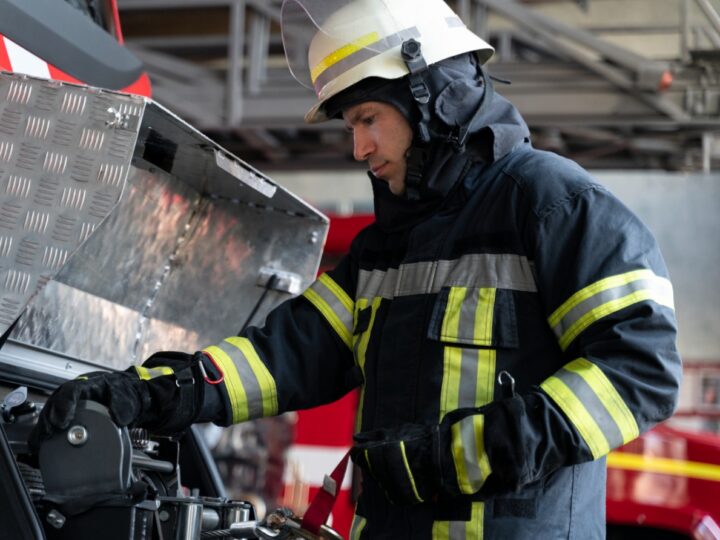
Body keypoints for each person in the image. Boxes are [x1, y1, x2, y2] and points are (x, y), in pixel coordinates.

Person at [32, 0, 682, 538]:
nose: (359, 146)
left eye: (368, 118)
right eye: (351, 125)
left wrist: (470, 453)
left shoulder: (554, 206)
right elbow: (284, 355)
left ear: (433, 97)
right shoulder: (387, 248)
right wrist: (151, 393)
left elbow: (640, 369)